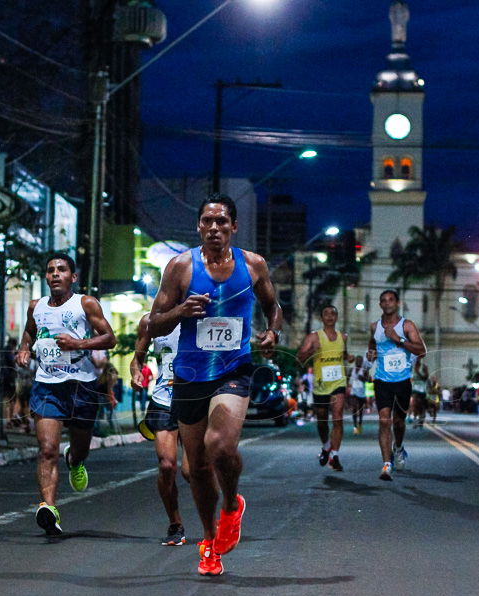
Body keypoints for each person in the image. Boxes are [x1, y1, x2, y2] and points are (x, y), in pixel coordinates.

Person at [147, 192, 282, 576]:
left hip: (233, 369)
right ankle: (209, 542)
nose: (214, 228)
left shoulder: (253, 265)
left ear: (234, 227)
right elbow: (153, 322)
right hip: (189, 374)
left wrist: (272, 332)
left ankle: (230, 509)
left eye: (222, 222)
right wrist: (179, 311)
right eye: (207, 221)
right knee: (200, 469)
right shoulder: (180, 267)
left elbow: (274, 307)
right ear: (199, 227)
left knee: (219, 446)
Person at [16, 252, 116, 536]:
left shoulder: (85, 303)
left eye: (61, 270)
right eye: (50, 270)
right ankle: (49, 508)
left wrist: (78, 343)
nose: (55, 274)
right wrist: (24, 349)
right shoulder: (36, 306)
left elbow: (110, 338)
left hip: (82, 385)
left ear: (73, 277)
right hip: (47, 385)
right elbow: (29, 333)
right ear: (46, 277)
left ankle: (75, 459)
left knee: (80, 447)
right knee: (47, 450)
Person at [131, 314, 191, 545]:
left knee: (191, 472)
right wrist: (136, 372)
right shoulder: (150, 321)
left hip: (194, 400)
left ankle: (221, 514)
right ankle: (175, 524)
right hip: (163, 401)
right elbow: (137, 360)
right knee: (167, 465)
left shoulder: (199, 316)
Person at [367, 289, 427, 481]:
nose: (387, 303)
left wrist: (398, 339)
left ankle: (399, 448)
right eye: (383, 300)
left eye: (391, 300)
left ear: (397, 303)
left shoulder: (407, 326)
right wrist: (371, 354)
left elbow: (422, 351)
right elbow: (372, 346)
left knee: (399, 422)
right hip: (382, 380)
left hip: (402, 381)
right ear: (380, 305)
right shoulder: (374, 326)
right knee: (384, 420)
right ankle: (386, 464)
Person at [296, 305, 354, 472]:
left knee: (337, 418)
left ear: (337, 317)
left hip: (338, 383)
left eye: (333, 313)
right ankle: (326, 446)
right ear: (321, 318)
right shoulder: (313, 337)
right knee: (322, 419)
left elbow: (343, 355)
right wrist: (311, 352)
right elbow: (299, 358)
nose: (330, 316)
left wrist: (348, 357)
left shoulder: (343, 337)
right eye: (326, 313)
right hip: (321, 384)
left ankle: (334, 456)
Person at [348, 356, 371, 435]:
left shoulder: (364, 370)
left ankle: (360, 422)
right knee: (354, 407)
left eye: (360, 361)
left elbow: (369, 380)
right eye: (357, 361)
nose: (358, 362)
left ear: (362, 362)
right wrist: (347, 385)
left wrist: (363, 378)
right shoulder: (352, 369)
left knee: (360, 408)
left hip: (361, 391)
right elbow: (347, 378)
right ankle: (355, 426)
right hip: (354, 391)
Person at [409, 358, 429, 428]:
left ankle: (422, 415)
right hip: (414, 387)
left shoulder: (424, 366)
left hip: (422, 387)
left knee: (423, 403)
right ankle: (414, 420)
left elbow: (426, 377)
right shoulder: (411, 366)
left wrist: (419, 373)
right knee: (414, 403)